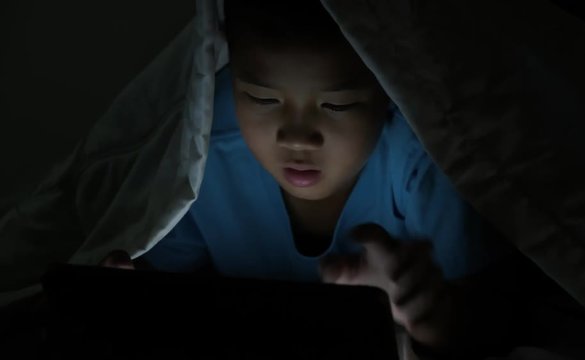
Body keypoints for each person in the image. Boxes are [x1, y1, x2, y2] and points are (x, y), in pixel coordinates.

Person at [96, 0, 512, 357]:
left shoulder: (421, 160)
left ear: (388, 89)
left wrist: (428, 315)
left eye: (337, 105)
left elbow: (490, 319)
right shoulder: (204, 148)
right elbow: (172, 287)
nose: (296, 136)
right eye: (262, 99)